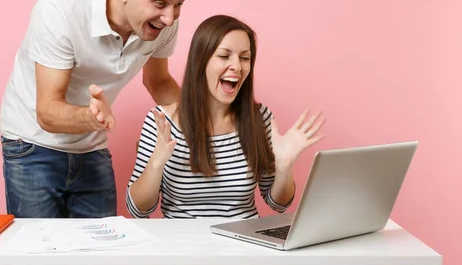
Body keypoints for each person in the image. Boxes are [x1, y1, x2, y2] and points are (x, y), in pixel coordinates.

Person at [0, 0, 191, 218]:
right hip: (31, 146)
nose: (170, 18)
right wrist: (93, 119)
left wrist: (202, 123)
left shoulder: (163, 24)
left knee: (103, 255)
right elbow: (48, 112)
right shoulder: (61, 10)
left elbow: (158, 81)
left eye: (179, 4)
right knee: (39, 255)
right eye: (160, 3)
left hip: (92, 146)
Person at [126, 15, 325, 218]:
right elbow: (138, 209)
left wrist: (284, 167)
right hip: (184, 246)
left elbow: (279, 204)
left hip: (245, 245)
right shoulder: (161, 122)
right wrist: (157, 162)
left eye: (245, 58)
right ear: (200, 61)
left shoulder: (260, 119)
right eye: (224, 56)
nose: (237, 66)